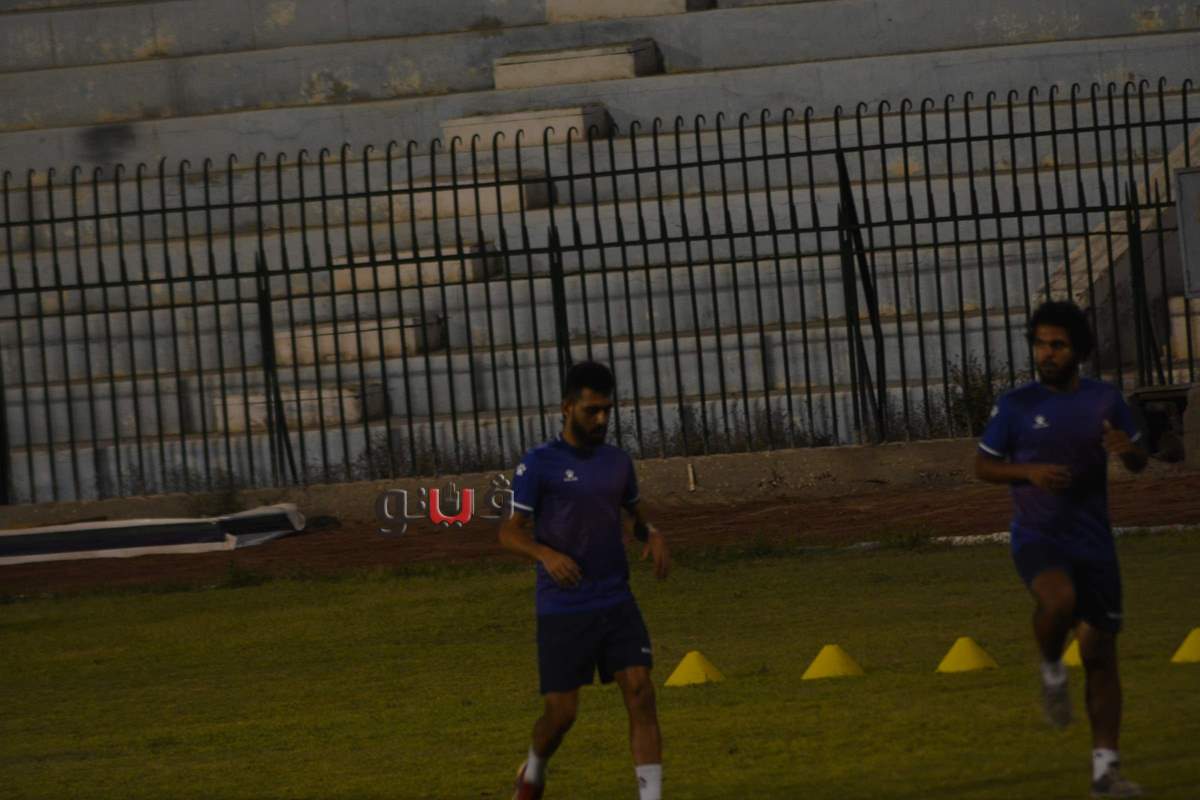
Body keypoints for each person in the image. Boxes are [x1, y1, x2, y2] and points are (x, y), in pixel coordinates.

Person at [975, 300, 1148, 798]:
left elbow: (1139, 459)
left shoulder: (1104, 400)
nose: (1046, 353)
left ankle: (1106, 773)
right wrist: (1028, 472)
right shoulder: (1016, 405)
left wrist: (1128, 451)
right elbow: (983, 466)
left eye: (1057, 345)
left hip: (1094, 543)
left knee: (1100, 655)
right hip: (1038, 536)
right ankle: (1052, 668)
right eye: (1040, 344)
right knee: (1058, 601)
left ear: (1079, 351)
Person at [499, 360, 671, 800]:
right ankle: (534, 770)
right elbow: (509, 532)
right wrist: (546, 554)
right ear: (567, 407)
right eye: (592, 410)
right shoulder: (539, 463)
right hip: (563, 605)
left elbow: (634, 515)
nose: (601, 419)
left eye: (606, 410)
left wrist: (651, 534)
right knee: (562, 715)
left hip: (615, 598)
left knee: (640, 690)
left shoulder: (617, 462)